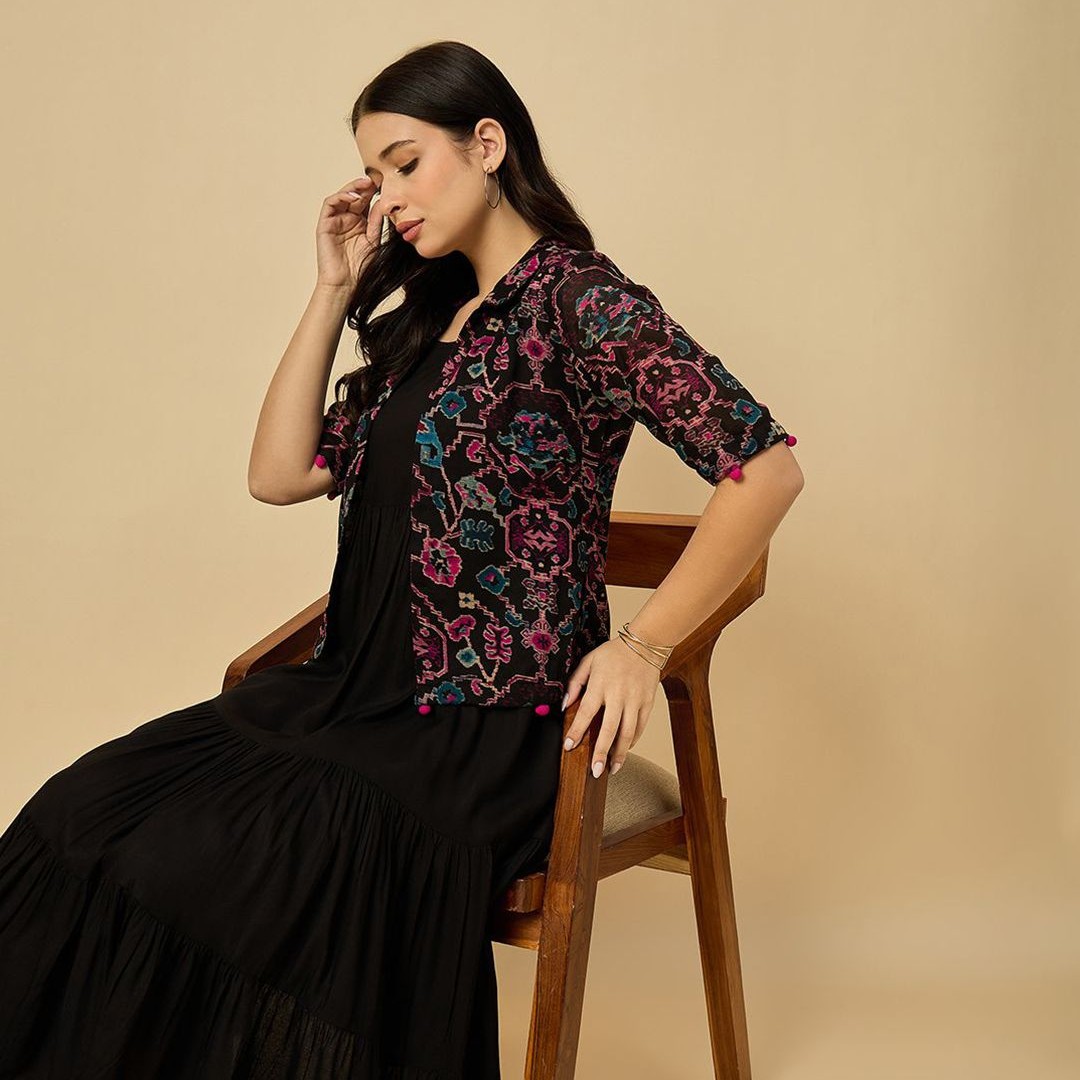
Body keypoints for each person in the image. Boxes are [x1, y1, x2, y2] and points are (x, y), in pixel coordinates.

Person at [0, 39, 804, 1078]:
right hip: (352, 695)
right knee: (85, 810)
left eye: (405, 163)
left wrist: (642, 647)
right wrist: (332, 286)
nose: (387, 197)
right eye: (373, 175)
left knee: (216, 858)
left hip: (484, 726)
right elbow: (279, 473)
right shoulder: (428, 320)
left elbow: (765, 470)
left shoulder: (579, 300)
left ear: (487, 145)